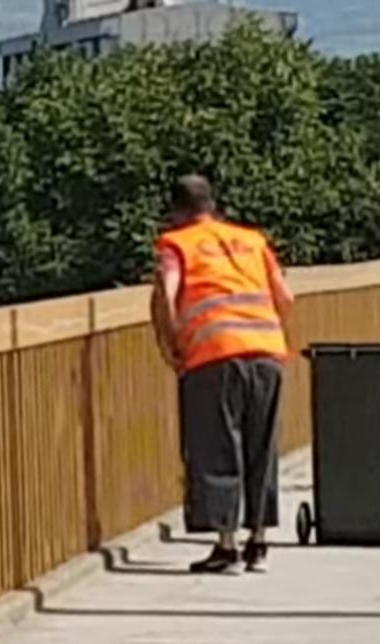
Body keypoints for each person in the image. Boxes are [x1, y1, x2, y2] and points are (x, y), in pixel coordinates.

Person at [151, 174, 294, 574]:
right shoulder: (252, 240)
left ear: (177, 211)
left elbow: (167, 288)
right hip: (266, 350)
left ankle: (227, 546)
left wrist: (174, 341)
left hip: (213, 355)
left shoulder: (175, 244)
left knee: (218, 447)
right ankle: (260, 542)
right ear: (211, 204)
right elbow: (285, 296)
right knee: (261, 446)